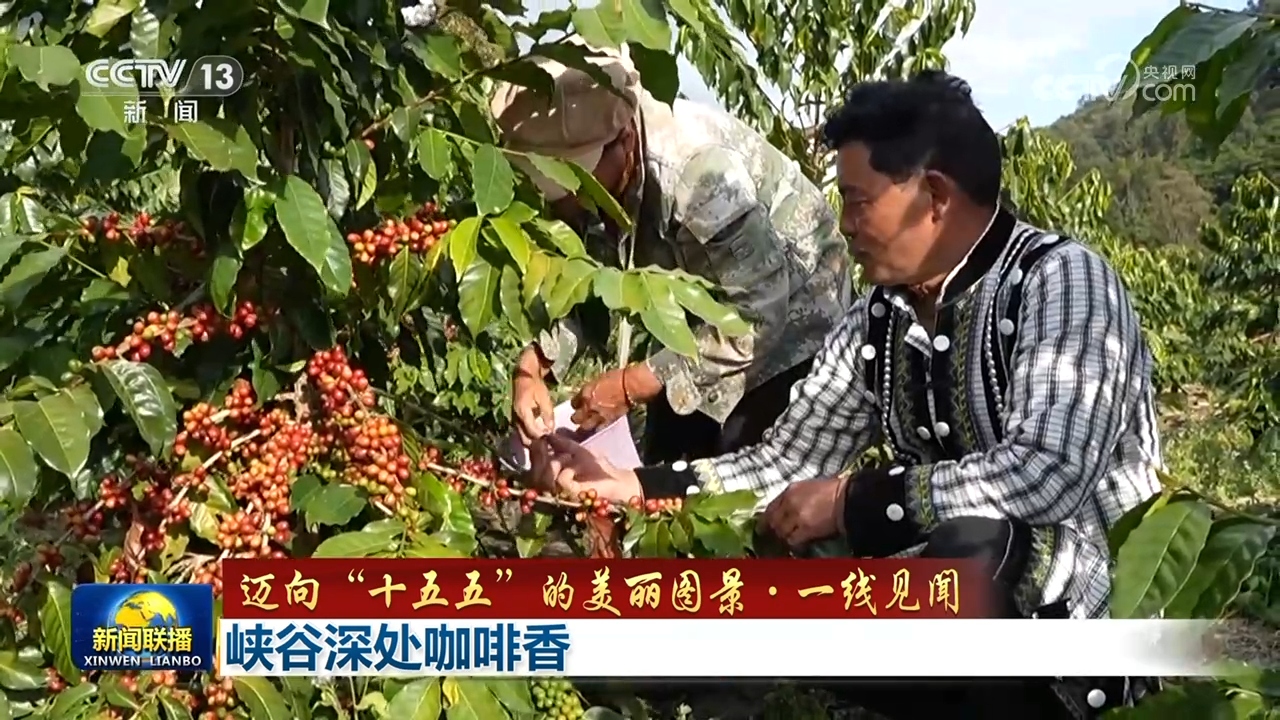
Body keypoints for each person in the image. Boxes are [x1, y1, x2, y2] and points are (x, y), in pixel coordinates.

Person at [530, 70, 1164, 719]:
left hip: (1082, 613)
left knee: (966, 549)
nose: (845, 225)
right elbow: (785, 463)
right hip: (959, 602)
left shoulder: (1061, 283)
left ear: (934, 198)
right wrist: (635, 486)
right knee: (792, 535)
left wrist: (853, 499)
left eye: (859, 202)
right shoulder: (878, 320)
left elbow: (1047, 473)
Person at [490, 41, 851, 464]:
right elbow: (588, 279)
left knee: (739, 475)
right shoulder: (596, 182)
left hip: (793, 325)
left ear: (624, 139)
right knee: (666, 465)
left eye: (576, 181)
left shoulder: (698, 177)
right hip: (703, 321)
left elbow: (758, 316)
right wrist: (533, 366)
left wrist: (631, 386)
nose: (568, 198)